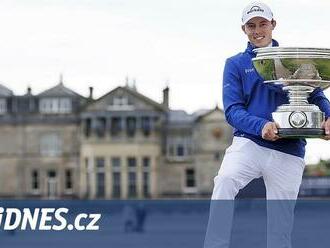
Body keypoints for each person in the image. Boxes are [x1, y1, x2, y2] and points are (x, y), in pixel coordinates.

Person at [204, 2, 330, 248]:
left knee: (281, 228)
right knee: (225, 181)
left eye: (263, 24)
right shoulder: (235, 63)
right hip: (249, 143)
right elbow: (232, 110)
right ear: (244, 29)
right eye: (251, 25)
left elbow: (316, 95)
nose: (257, 30)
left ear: (273, 25)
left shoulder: (295, 59)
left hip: (289, 150)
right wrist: (261, 125)